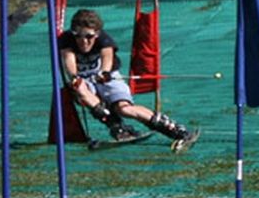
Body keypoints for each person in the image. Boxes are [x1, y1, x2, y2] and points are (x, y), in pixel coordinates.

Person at [60, 9, 198, 150]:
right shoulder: (66, 39)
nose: (83, 41)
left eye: (89, 36)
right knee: (80, 89)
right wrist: (75, 77)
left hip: (107, 77)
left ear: (97, 34)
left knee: (124, 109)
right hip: (84, 80)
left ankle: (174, 129)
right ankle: (117, 126)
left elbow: (107, 57)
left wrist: (105, 72)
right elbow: (68, 60)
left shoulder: (104, 39)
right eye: (78, 36)